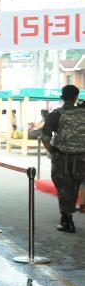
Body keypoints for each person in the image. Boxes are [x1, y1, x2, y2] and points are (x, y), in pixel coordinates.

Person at [42, 85, 85, 233]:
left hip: (63, 159)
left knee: (64, 189)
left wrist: (53, 152)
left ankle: (67, 221)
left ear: (62, 97)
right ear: (76, 97)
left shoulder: (55, 114)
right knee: (78, 186)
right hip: (83, 159)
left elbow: (45, 138)